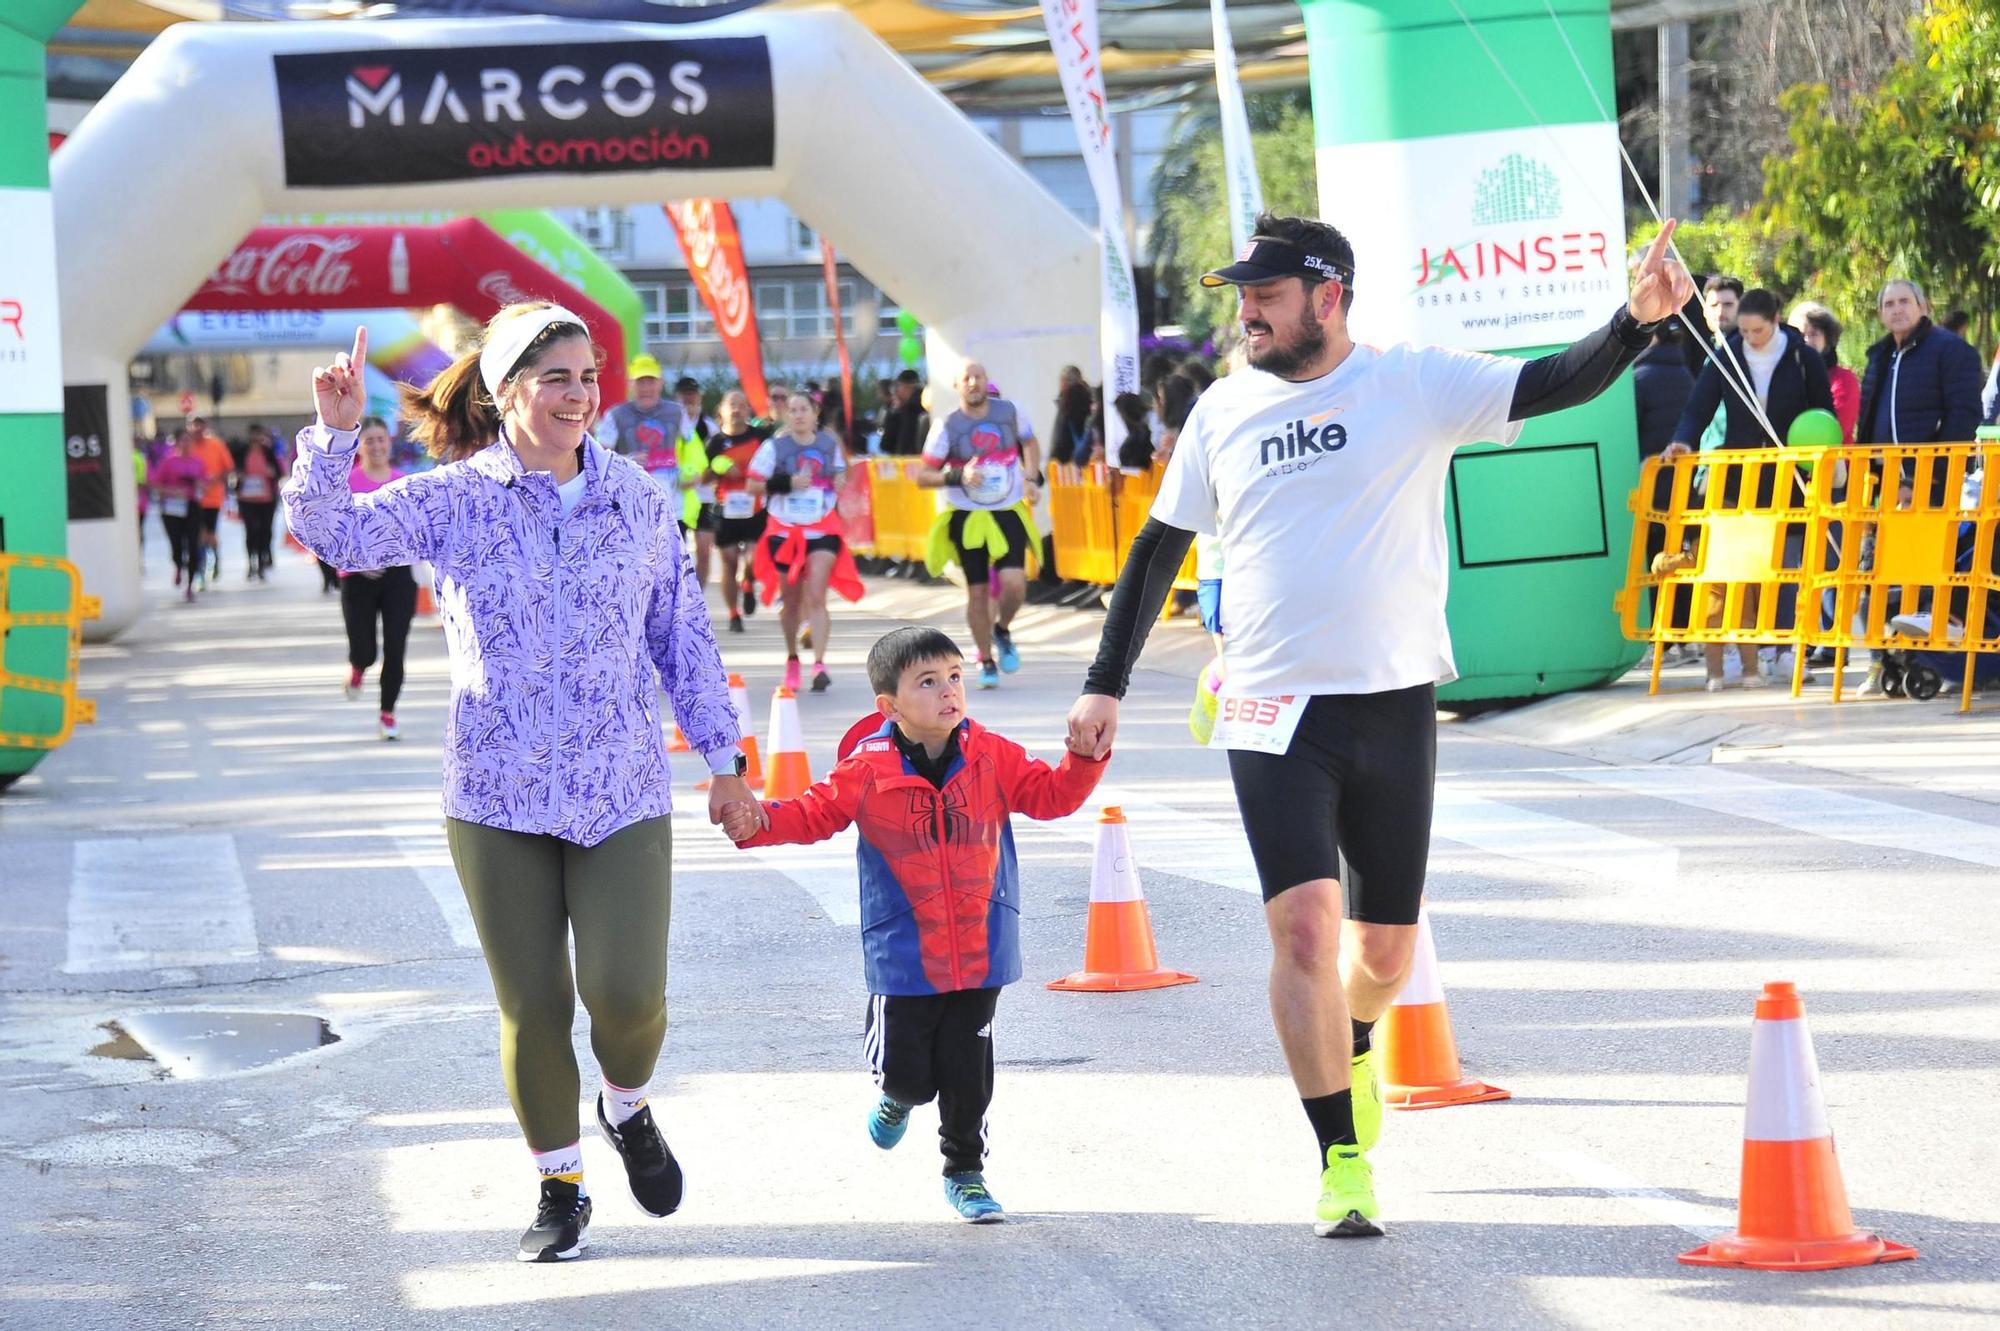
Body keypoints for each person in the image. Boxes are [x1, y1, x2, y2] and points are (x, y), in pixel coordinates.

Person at [1065, 212, 1695, 1239]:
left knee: (1386, 952)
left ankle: (1354, 1035)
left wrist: (1633, 322)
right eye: (1241, 296)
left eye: (1264, 295)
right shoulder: (1223, 408)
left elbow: (1551, 383)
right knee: (1302, 926)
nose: (1245, 313)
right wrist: (1105, 681)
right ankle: (1339, 1156)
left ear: (1326, 295)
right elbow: (1155, 548)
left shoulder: (1410, 381)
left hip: (1393, 700)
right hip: (1270, 705)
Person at [283, 306, 753, 1264]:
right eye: (557, 377)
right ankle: (561, 1184)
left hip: (618, 784)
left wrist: (725, 763)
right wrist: (333, 436)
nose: (581, 393)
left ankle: (626, 1104)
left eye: (589, 374)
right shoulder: (458, 498)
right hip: (494, 795)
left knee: (626, 998)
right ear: (506, 395)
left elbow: (682, 638)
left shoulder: (639, 499)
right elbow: (333, 531)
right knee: (533, 1005)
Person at [720, 626, 1107, 1222]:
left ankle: (965, 1170)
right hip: (904, 951)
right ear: (889, 706)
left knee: (966, 1066)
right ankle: (896, 1098)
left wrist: (1084, 756)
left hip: (982, 945)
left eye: (954, 677)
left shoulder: (990, 754)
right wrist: (757, 823)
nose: (948, 691)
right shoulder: (865, 769)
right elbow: (811, 813)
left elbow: (1051, 796)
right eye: (927, 682)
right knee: (910, 1076)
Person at [1663, 288, 1831, 691]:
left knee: (1789, 565)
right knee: (1742, 567)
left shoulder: (1802, 357)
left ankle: (1789, 648)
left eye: (1756, 330)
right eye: (1742, 330)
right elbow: (1697, 408)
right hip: (1740, 479)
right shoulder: (1727, 356)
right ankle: (1747, 652)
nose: (1748, 338)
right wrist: (1683, 440)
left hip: (1789, 476)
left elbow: (1822, 409)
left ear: (1775, 321)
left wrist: (1817, 462)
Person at [918, 362, 1043, 690]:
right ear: (957, 386)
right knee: (977, 592)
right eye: (966, 379)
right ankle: (986, 660)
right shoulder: (947, 426)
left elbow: (1030, 444)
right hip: (967, 514)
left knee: (1014, 584)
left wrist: (1030, 477)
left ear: (987, 381)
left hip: (1007, 510)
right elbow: (923, 475)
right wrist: (959, 475)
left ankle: (1002, 629)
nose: (973, 383)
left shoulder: (1010, 412)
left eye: (978, 377)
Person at [749, 385, 861, 692]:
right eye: (793, 410)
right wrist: (787, 482)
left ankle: (820, 664)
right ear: (787, 415)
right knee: (792, 599)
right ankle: (793, 658)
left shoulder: (828, 444)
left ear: (815, 414)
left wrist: (838, 480)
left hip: (822, 527)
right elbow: (752, 485)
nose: (798, 415)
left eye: (804, 410)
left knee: (816, 595)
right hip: (785, 530)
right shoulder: (774, 447)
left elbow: (842, 475)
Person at [337, 418, 418, 741]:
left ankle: (388, 713)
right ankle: (358, 666)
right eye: (369, 440)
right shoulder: (348, 483)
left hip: (397, 574)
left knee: (396, 648)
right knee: (366, 650)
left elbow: (414, 530)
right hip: (357, 576)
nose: (377, 446)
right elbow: (336, 533)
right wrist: (358, 562)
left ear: (390, 442)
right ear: (360, 446)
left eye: (381, 439)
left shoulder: (403, 483)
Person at [1856, 279, 1985, 448]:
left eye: (1904, 301)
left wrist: (1938, 469)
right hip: (1877, 469)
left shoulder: (1951, 349)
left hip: (1927, 468)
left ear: (1922, 307)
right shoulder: (1878, 356)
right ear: (1881, 315)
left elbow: (1964, 414)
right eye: (1889, 304)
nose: (1897, 310)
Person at [705, 388, 769, 633]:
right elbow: (704, 476)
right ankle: (733, 613)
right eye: (731, 404)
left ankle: (749, 582)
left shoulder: (761, 437)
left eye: (742, 404)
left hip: (755, 507)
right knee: (729, 562)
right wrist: (719, 466)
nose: (736, 409)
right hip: (726, 509)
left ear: (748, 410)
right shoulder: (716, 442)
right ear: (721, 411)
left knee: (753, 559)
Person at [1788, 302, 1860, 443]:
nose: (1807, 341)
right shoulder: (1786, 379)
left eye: (1814, 334)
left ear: (1827, 338)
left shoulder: (1844, 380)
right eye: (1801, 335)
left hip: (1835, 461)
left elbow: (1835, 429)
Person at [151, 429, 209, 601]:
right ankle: (178, 565)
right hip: (172, 508)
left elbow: (205, 484)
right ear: (177, 443)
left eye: (189, 441)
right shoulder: (168, 462)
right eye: (183, 441)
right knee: (176, 544)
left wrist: (199, 486)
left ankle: (190, 584)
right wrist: (171, 491)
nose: (186, 444)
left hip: (192, 506)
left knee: (193, 545)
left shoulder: (198, 462)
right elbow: (156, 484)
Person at [1632, 323, 1694, 459]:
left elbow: (1627, 431)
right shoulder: (1685, 373)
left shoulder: (1639, 378)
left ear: (1654, 337)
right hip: (1680, 466)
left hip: (1647, 468)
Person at [236, 424, 285, 581]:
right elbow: (234, 471)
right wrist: (239, 477)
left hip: (266, 499)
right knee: (251, 530)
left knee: (265, 531)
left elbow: (279, 472)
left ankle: (263, 561)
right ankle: (251, 562)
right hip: (247, 498)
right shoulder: (242, 452)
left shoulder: (269, 452)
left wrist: (272, 473)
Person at [189, 416, 233, 584]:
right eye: (194, 425)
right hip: (192, 499)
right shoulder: (187, 446)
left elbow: (228, 468)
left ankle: (214, 559)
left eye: (200, 425)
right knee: (197, 535)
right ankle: (200, 569)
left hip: (212, 498)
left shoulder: (216, 445)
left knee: (210, 533)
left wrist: (214, 481)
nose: (197, 429)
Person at [1048, 365, 1093, 466]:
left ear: (1065, 382)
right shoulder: (1091, 400)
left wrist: (1053, 461)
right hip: (1085, 462)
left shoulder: (1068, 404)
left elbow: (1061, 437)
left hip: (1068, 465)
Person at [878, 369, 929, 456]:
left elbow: (888, 444)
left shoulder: (910, 410)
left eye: (898, 386)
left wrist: (894, 412)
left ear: (907, 387)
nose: (897, 391)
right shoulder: (926, 405)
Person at [674, 375, 716, 443]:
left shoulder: (710, 427)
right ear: (676, 397)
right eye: (685, 393)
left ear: (700, 397)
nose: (689, 398)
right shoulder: (668, 423)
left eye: (693, 394)